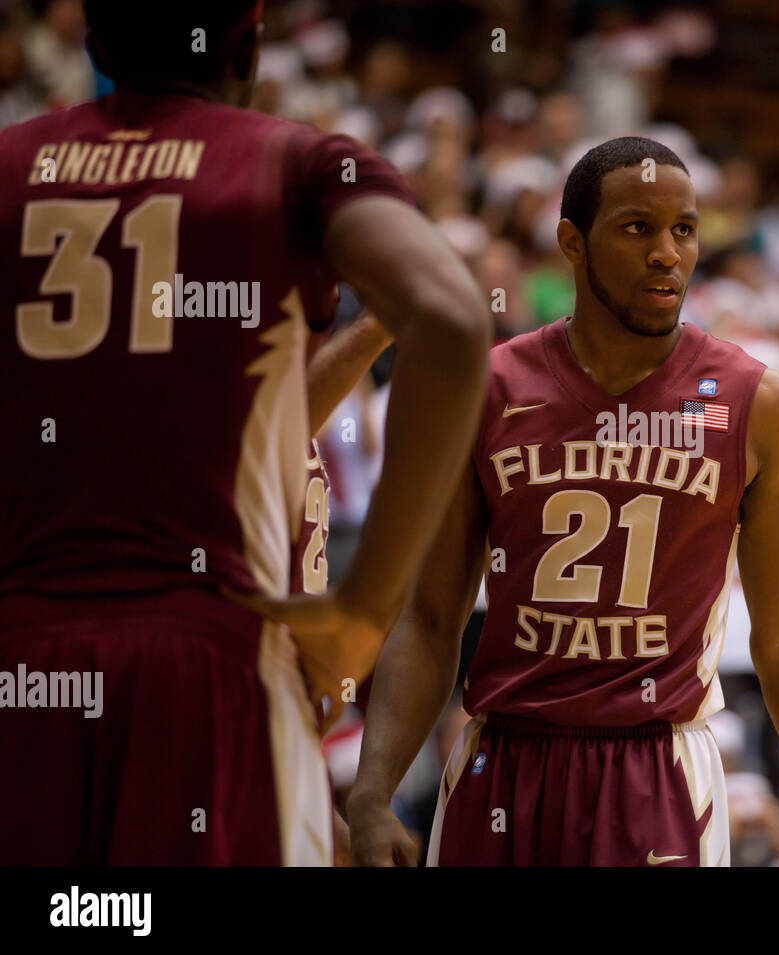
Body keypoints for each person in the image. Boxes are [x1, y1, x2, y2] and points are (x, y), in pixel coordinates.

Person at [0, 0, 490, 865]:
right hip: (206, 653)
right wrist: (361, 609)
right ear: (250, 43)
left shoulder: (8, 164)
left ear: (96, 41)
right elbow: (452, 319)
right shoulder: (294, 161)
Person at [347, 136, 779, 866]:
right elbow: (431, 618)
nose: (667, 253)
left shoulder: (756, 404)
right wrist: (372, 793)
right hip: (503, 761)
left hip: (659, 769)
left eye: (683, 229)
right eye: (636, 227)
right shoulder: (485, 390)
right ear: (571, 242)